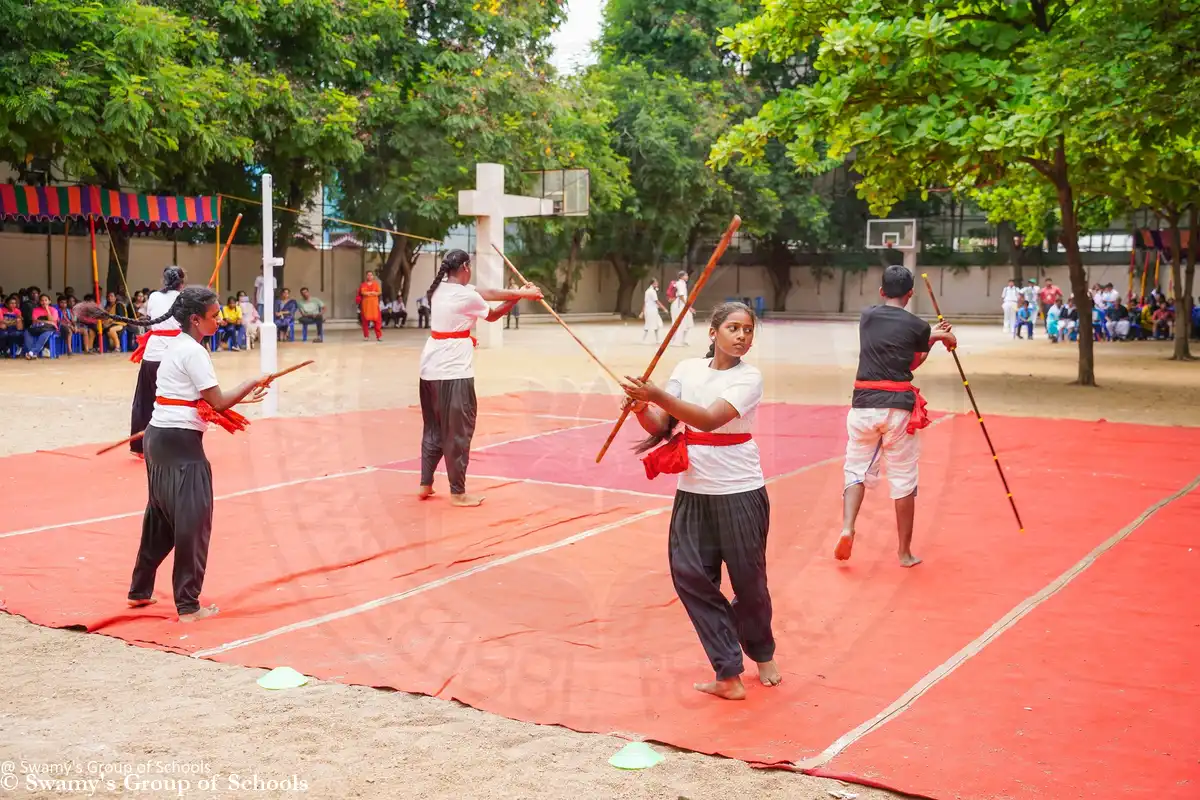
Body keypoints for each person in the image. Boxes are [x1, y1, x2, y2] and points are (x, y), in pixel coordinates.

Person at [76, 287, 273, 621]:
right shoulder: (194, 353)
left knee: (162, 517)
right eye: (214, 316)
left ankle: (140, 590)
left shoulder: (176, 346)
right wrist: (252, 381)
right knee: (192, 522)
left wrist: (241, 395)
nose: (219, 320)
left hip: (159, 439)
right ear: (196, 319)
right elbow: (218, 401)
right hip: (179, 443)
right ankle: (188, 605)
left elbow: (196, 399)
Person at [620, 302, 779, 701]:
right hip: (693, 492)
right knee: (689, 576)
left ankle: (762, 652)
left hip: (739, 491)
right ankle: (728, 672)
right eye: (734, 328)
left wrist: (655, 393)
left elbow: (708, 419)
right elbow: (663, 424)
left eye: (748, 330)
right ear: (713, 332)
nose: (742, 336)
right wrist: (643, 407)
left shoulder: (750, 378)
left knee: (749, 583)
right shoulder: (687, 370)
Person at [837, 265, 957, 568]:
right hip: (898, 408)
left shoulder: (867, 316)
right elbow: (914, 362)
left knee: (856, 470)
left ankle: (848, 527)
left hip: (863, 402)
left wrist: (933, 336)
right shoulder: (918, 326)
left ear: (881, 291)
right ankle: (904, 553)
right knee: (903, 479)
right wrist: (937, 337)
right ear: (910, 293)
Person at [417, 249, 543, 507]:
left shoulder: (440, 288)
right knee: (458, 431)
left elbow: (488, 292)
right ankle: (458, 493)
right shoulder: (464, 296)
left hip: (429, 371)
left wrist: (519, 293)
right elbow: (494, 312)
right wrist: (521, 295)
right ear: (465, 267)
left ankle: (425, 483)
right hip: (453, 374)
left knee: (433, 428)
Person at [129, 267, 186, 458]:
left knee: (145, 400)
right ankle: (174, 443)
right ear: (181, 282)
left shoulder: (154, 296)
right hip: (174, 353)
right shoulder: (184, 297)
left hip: (153, 354)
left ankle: (140, 446)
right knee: (177, 398)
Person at [670, 271, 694, 346]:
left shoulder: (683, 284)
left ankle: (683, 340)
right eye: (686, 275)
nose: (687, 277)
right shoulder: (680, 284)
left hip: (682, 304)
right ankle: (676, 341)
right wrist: (688, 307)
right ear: (681, 276)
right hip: (679, 305)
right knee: (679, 322)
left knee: (688, 322)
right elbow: (681, 296)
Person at [358, 271, 383, 341]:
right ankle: (366, 336)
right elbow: (363, 292)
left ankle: (379, 336)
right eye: (368, 275)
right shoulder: (363, 285)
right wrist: (372, 293)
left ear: (373, 276)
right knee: (365, 321)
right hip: (366, 305)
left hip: (374, 305)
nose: (369, 276)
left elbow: (379, 292)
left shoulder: (376, 284)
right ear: (366, 276)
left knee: (377, 321)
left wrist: (369, 293)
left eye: (371, 275)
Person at [642, 279, 666, 343]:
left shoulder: (648, 291)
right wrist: (664, 308)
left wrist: (643, 311)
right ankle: (643, 339)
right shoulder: (651, 291)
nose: (657, 284)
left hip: (650, 310)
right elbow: (656, 301)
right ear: (652, 284)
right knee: (649, 324)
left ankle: (657, 339)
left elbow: (645, 302)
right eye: (656, 283)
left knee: (656, 324)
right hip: (651, 310)